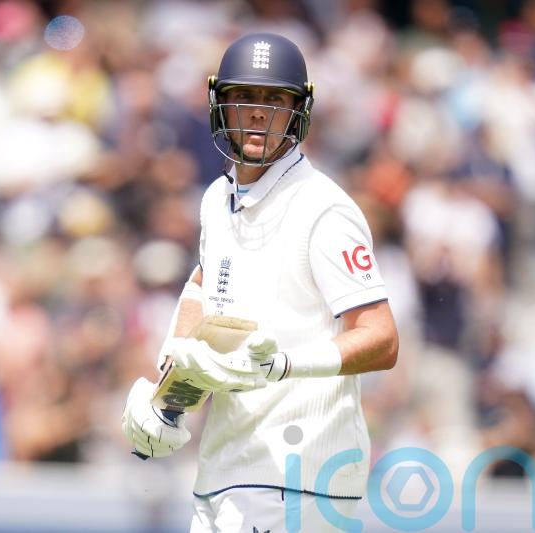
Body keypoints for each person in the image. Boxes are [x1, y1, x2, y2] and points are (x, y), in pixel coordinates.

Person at [121, 32, 399, 532]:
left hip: (299, 476)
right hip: (226, 470)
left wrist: (285, 366)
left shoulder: (324, 208)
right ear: (220, 103)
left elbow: (381, 339)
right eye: (244, 97)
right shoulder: (216, 200)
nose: (258, 114)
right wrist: (168, 399)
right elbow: (205, 292)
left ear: (300, 110)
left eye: (275, 100)